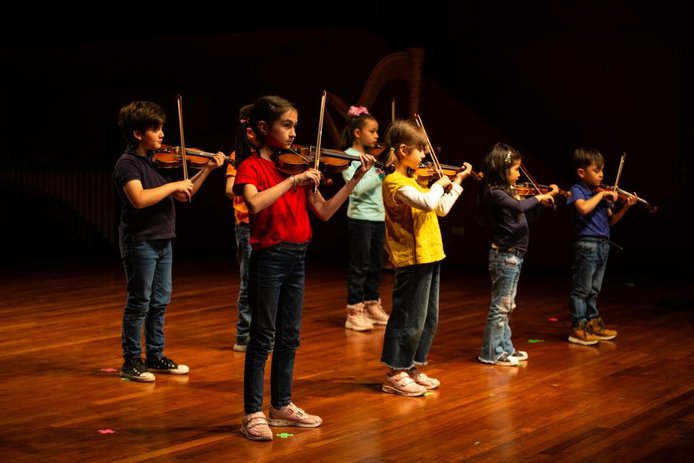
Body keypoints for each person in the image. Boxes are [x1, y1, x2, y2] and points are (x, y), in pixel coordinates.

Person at [233, 95, 375, 441]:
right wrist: (292, 182)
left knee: (290, 337)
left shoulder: (297, 167)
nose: (294, 133)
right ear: (263, 128)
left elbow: (324, 211)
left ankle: (281, 406)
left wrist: (355, 180)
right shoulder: (252, 166)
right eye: (287, 125)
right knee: (262, 337)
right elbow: (254, 203)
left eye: (295, 126)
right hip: (269, 258)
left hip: (298, 257)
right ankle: (252, 412)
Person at [113, 100, 226, 382]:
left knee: (160, 301)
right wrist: (173, 184)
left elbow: (185, 194)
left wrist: (207, 169)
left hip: (164, 240)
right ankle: (131, 361)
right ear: (138, 133)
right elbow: (139, 199)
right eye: (156, 129)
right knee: (140, 301)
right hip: (140, 241)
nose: (162, 134)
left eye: (162, 128)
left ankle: (155, 356)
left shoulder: (157, 160)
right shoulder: (128, 163)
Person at [380, 119, 472, 397]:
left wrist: (456, 183)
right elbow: (430, 201)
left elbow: (440, 208)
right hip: (412, 259)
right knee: (408, 316)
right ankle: (395, 371)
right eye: (420, 150)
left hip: (431, 254)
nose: (423, 156)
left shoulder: (414, 182)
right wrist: (439, 184)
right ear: (403, 150)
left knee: (427, 317)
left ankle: (411, 365)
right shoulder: (394, 182)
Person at [477, 143, 558, 367]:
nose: (519, 174)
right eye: (515, 169)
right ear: (502, 170)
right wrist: (541, 197)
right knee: (500, 306)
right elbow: (520, 208)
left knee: (508, 306)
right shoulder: (496, 193)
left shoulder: (510, 193)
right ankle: (492, 353)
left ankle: (504, 347)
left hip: (514, 256)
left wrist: (542, 204)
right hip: (505, 256)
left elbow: (525, 219)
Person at [567, 147, 636, 345]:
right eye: (596, 171)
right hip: (587, 244)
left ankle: (592, 322)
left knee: (594, 289)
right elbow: (583, 208)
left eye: (602, 170)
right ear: (582, 172)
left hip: (603, 244)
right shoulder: (578, 190)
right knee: (581, 289)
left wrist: (625, 207)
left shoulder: (600, 195)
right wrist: (602, 194)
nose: (601, 175)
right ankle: (578, 327)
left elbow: (611, 221)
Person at [340, 105, 390, 331]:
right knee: (359, 266)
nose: (377, 136)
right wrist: (380, 173)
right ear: (357, 133)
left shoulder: (376, 158)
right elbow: (357, 188)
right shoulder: (347, 157)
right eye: (372, 131)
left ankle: (371, 304)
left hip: (378, 218)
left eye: (377, 131)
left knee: (375, 266)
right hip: (360, 218)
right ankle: (354, 311)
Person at [225, 104, 254, 352]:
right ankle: (243, 335)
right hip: (246, 225)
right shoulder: (239, 156)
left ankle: (263, 332)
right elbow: (229, 189)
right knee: (248, 282)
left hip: (268, 224)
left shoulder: (270, 155)